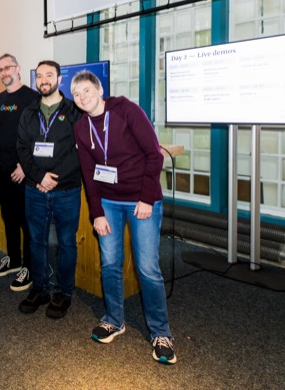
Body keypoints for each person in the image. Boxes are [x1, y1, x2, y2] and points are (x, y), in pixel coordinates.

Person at [71, 70, 175, 365]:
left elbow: (154, 155)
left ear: (99, 90)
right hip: (108, 203)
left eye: (86, 91)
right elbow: (88, 174)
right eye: (76, 94)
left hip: (141, 200)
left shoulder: (127, 111)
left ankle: (161, 333)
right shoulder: (81, 127)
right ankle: (114, 320)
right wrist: (96, 213)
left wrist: (146, 198)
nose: (82, 98)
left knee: (147, 268)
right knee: (110, 264)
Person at [16, 60, 82, 320]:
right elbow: (22, 149)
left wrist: (53, 178)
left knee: (66, 242)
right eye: (39, 76)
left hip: (66, 190)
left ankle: (64, 292)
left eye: (49, 75)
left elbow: (79, 151)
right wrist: (39, 177)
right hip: (35, 189)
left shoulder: (74, 110)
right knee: (36, 241)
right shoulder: (28, 112)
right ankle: (40, 288)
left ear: (59, 79)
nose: (44, 80)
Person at [0, 54, 40, 291]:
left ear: (18, 68)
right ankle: (13, 259)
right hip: (2, 167)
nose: (3, 73)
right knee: (8, 215)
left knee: (25, 220)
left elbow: (38, 135)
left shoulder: (32, 97)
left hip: (23, 169)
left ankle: (29, 267)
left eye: (7, 68)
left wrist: (24, 166)